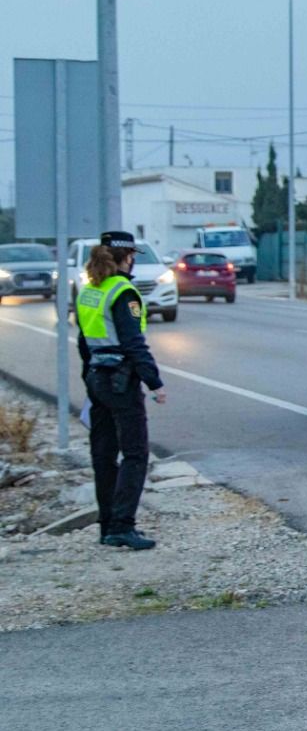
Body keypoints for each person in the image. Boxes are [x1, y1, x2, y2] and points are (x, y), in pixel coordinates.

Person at [76, 231, 167, 550]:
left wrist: (90, 377)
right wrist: (154, 382)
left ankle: (106, 526)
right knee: (135, 453)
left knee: (103, 454)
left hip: (96, 379)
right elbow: (133, 343)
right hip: (121, 381)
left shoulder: (90, 290)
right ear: (127, 257)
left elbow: (83, 342)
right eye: (132, 257)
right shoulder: (123, 292)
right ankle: (123, 526)